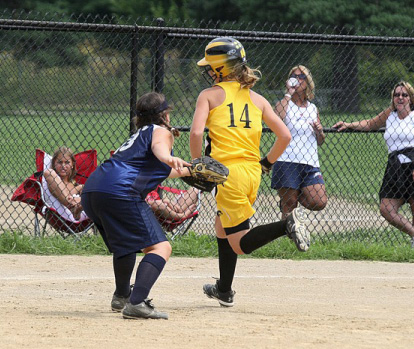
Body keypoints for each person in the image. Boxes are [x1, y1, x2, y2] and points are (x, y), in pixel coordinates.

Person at [189, 37, 311, 308]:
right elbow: (285, 136)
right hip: (252, 173)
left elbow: (197, 132)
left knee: (239, 243)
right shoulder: (258, 99)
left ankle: (286, 225)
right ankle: (224, 289)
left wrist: (197, 164)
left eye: (210, 66)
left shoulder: (208, 95)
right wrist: (266, 163)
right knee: (222, 226)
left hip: (226, 174)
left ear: (220, 69)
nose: (208, 71)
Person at [81, 92, 191, 320]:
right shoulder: (161, 131)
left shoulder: (139, 135)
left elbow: (156, 170)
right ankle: (137, 302)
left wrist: (190, 169)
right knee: (161, 248)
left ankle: (122, 295)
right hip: (121, 192)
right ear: (163, 115)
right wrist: (169, 157)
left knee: (125, 244)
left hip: (93, 189)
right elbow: (161, 149)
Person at [333, 81, 414, 248]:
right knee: (386, 208)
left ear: (410, 98)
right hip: (396, 166)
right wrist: (349, 124)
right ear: (393, 98)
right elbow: (369, 124)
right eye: (397, 95)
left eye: (404, 95)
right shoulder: (390, 114)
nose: (400, 98)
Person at [271, 65, 327, 219]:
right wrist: (288, 94)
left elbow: (320, 141)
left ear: (308, 82)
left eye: (302, 77)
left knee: (319, 201)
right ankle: (288, 236)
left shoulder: (313, 108)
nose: (298, 80)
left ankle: (293, 194)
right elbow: (276, 120)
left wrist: (319, 132)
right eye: (294, 77)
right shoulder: (284, 104)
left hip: (310, 162)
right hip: (287, 160)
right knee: (290, 205)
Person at [43, 146, 86, 222]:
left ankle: (76, 209)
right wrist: (78, 189)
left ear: (72, 165)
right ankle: (72, 207)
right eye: (60, 162)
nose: (63, 166)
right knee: (48, 172)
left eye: (67, 162)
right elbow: (64, 192)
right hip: (61, 216)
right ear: (54, 164)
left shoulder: (75, 184)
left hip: (83, 216)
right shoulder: (52, 180)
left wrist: (80, 188)